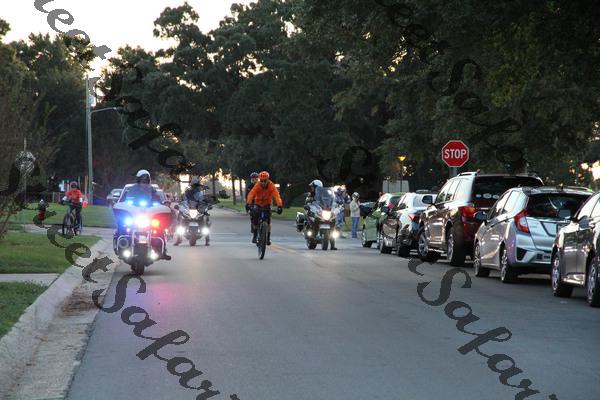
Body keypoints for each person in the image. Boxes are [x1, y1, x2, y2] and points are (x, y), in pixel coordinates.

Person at [121, 169, 171, 260]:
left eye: (145, 180)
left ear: (149, 180)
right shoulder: (132, 189)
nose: (143, 182)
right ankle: (121, 245)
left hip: (148, 216)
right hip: (134, 216)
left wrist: (160, 204)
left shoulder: (152, 190)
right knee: (123, 226)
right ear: (138, 180)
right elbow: (124, 201)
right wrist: (123, 203)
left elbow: (158, 200)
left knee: (159, 228)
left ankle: (163, 250)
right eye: (142, 180)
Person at [246, 171, 283, 245]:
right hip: (258, 203)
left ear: (267, 180)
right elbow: (251, 194)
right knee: (255, 218)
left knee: (268, 221)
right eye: (261, 181)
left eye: (265, 181)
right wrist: (248, 203)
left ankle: (268, 238)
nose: (263, 183)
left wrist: (279, 206)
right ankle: (255, 235)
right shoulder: (257, 185)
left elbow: (276, 196)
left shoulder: (271, 185)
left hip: (267, 204)